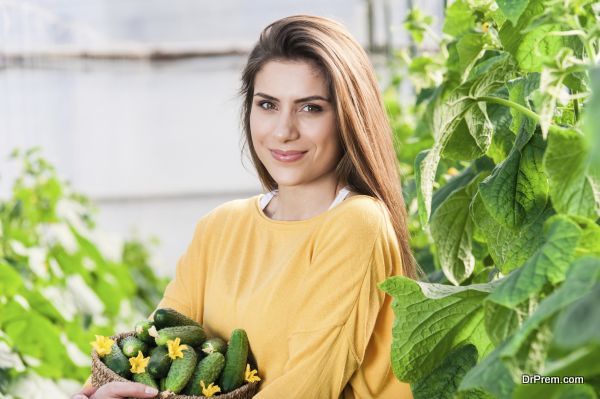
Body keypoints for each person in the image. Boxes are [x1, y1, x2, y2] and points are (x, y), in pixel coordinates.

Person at [73, 14, 419, 399]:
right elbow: (157, 342)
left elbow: (308, 385)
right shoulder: (220, 227)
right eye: (268, 104)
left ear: (348, 117)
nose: (283, 130)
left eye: (310, 108)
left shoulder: (358, 223)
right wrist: (91, 395)